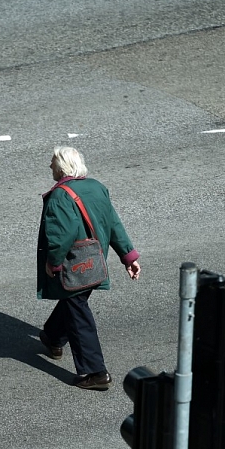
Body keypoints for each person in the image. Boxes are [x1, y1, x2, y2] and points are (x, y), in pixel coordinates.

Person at [37, 147, 141, 390]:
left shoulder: (60, 196)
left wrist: (54, 262)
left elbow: (60, 236)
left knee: (78, 312)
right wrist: (128, 256)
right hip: (96, 261)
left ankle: (95, 372)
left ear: (62, 167)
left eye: (52, 163)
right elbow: (113, 222)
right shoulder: (96, 187)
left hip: (75, 265)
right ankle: (53, 337)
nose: (50, 167)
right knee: (74, 301)